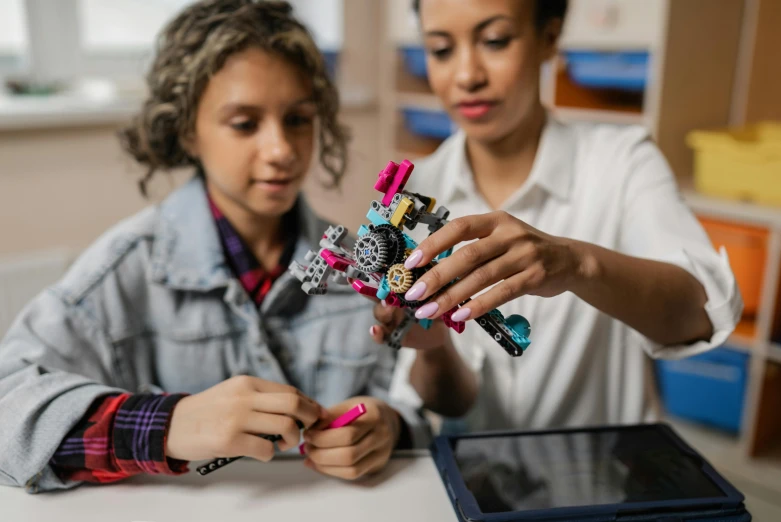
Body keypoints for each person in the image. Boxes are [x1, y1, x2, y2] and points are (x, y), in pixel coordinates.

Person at [0, 0, 427, 494]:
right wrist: (170, 424)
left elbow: (421, 397)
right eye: (245, 123)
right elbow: (7, 408)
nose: (282, 150)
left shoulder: (363, 265)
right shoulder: (125, 269)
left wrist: (392, 428)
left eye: (298, 119)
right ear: (188, 130)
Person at [377, 0, 742, 433]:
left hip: (603, 479)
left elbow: (699, 314)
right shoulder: (416, 197)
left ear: (549, 38)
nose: (466, 75)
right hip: (474, 484)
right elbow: (449, 404)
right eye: (440, 49)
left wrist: (576, 264)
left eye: (495, 41)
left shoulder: (623, 163)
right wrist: (433, 349)